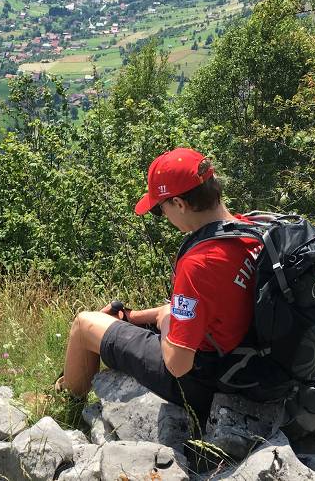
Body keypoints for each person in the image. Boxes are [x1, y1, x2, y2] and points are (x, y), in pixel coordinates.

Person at [58, 147, 262, 425]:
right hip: (247, 364)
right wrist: (133, 318)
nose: (163, 217)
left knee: (84, 325)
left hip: (204, 381)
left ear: (179, 203)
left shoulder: (199, 263)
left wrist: (166, 322)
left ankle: (65, 401)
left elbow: (178, 365)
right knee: (116, 322)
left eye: (159, 209)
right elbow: (205, 306)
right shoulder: (249, 231)